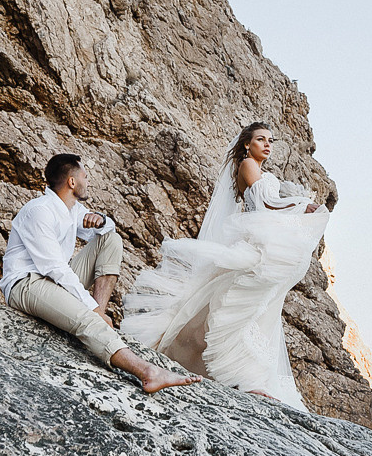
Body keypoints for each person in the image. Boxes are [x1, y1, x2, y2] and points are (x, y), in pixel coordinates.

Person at [121, 121, 329, 408]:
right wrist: (300, 206)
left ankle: (252, 375)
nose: (267, 145)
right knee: (243, 306)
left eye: (271, 140)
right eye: (260, 140)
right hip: (258, 243)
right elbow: (267, 206)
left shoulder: (259, 169)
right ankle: (243, 376)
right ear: (247, 144)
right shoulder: (247, 165)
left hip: (263, 240)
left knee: (259, 308)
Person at [3, 153, 199, 394]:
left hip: (52, 281)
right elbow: (53, 268)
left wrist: (100, 220)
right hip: (26, 283)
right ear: (72, 182)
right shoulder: (40, 211)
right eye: (85, 176)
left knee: (111, 240)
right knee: (86, 317)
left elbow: (108, 231)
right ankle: (148, 372)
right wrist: (91, 309)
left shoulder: (72, 209)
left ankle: (99, 314)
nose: (88, 181)